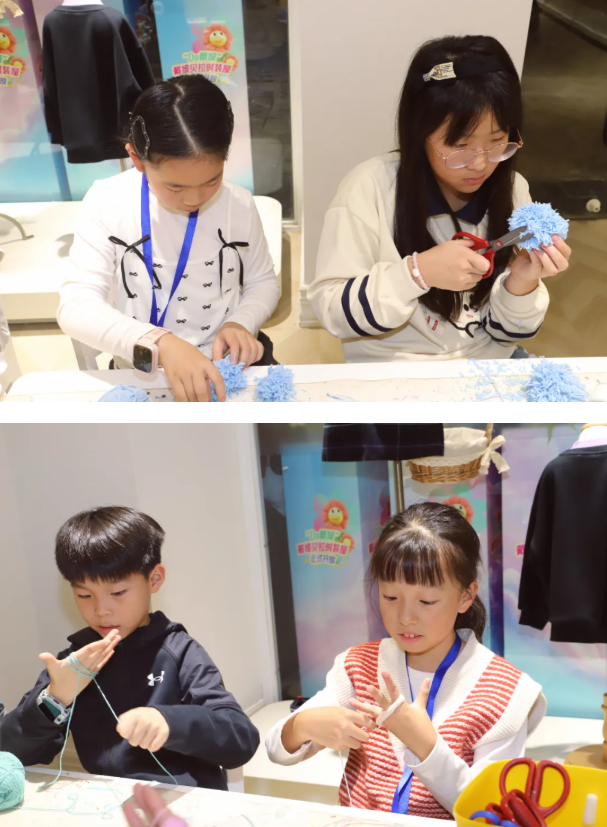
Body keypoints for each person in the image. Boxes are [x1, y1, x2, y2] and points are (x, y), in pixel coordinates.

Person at [266, 502, 546, 819]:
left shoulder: (506, 692)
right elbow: (277, 750)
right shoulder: (359, 666)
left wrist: (425, 744)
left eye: (426, 601)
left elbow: (490, 812)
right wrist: (304, 724)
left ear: (466, 596)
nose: (406, 617)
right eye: (390, 597)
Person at [309, 35, 571, 362]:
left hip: (484, 363)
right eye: (460, 146)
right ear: (419, 134)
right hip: (392, 368)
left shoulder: (513, 189)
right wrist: (416, 274)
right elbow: (333, 313)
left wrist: (521, 283)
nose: (480, 164)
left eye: (497, 141)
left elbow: (510, 334)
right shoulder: (370, 188)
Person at [0, 507, 260, 787]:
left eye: (117, 592)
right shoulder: (75, 661)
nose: (101, 610)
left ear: (154, 579)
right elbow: (10, 753)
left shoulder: (179, 651)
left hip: (182, 802)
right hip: (107, 801)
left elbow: (241, 739)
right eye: (84, 595)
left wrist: (169, 721)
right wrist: (55, 699)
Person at [58, 75, 280, 402]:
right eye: (175, 187)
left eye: (212, 180)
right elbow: (76, 306)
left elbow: (263, 282)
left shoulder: (239, 204)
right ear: (136, 158)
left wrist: (241, 323)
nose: (194, 199)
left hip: (229, 364)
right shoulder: (107, 202)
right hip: (142, 369)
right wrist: (160, 342)